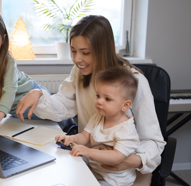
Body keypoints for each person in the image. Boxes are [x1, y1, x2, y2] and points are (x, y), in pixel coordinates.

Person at [16, 15, 166, 185]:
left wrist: (128, 161)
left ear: (103, 51)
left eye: (85, 52)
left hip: (126, 173)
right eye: (73, 50)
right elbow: (62, 106)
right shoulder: (79, 72)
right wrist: (38, 93)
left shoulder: (135, 81)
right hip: (90, 163)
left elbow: (153, 141)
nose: (77, 59)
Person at [0, 8, 75, 138]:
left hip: (33, 98)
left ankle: (73, 128)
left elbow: (9, 92)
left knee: (59, 120)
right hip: (14, 110)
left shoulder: (8, 60)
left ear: (3, 39)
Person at [56, 67, 140, 186]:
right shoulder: (98, 117)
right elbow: (85, 136)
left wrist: (88, 152)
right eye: (98, 95)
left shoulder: (126, 130)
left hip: (113, 180)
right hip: (94, 168)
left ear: (125, 105)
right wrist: (72, 139)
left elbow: (117, 157)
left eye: (107, 99)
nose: (99, 101)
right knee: (69, 162)